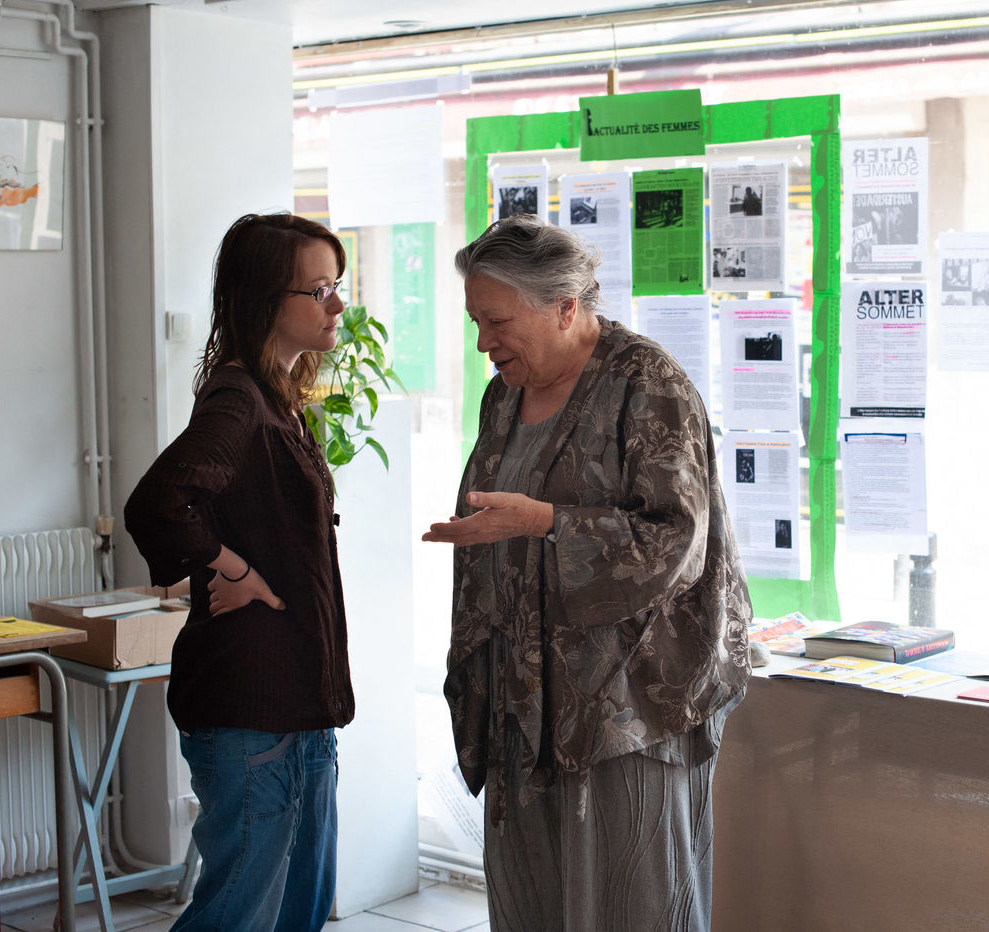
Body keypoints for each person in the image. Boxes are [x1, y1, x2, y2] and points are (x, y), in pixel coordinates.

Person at [422, 215, 750, 932]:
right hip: (521, 698)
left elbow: (678, 541)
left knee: (631, 900)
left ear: (565, 307)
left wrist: (544, 523)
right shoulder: (504, 394)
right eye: (476, 322)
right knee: (531, 899)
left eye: (498, 322)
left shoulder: (647, 384)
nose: (483, 343)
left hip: (625, 704)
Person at [124, 212, 353, 932]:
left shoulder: (278, 398)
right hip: (253, 708)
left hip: (300, 704)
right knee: (236, 916)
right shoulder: (239, 398)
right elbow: (161, 502)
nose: (336, 305)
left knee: (299, 910)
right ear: (264, 300)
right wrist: (234, 567)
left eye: (337, 286)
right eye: (318, 290)